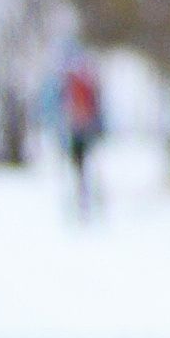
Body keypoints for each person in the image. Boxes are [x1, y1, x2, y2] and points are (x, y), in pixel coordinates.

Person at [55, 53, 106, 221]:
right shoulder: (78, 86)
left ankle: (82, 192)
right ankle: (82, 192)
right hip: (79, 129)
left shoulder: (76, 86)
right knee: (80, 163)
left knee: (81, 163)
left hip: (80, 129)